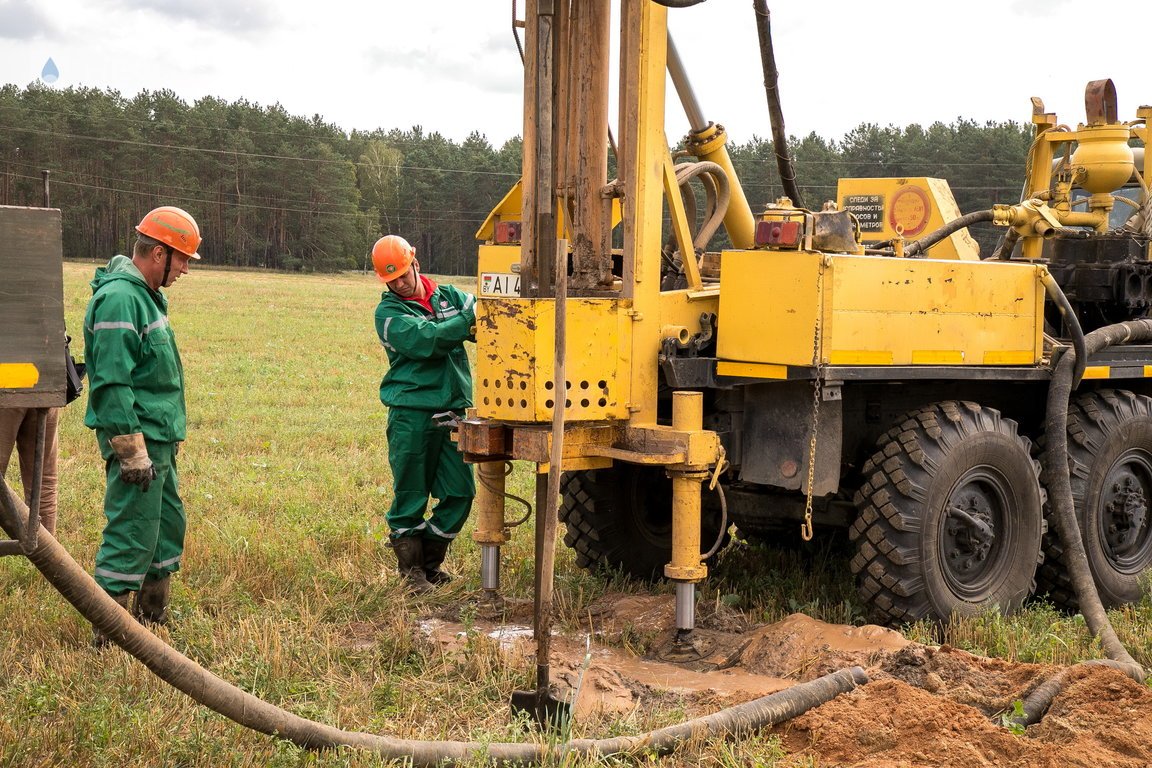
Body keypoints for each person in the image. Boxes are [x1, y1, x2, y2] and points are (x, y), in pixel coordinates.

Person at [83, 205, 200, 646]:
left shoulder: (145, 295)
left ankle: (152, 615)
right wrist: (131, 451)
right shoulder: (120, 299)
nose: (185, 270)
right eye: (182, 259)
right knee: (132, 529)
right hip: (140, 441)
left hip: (160, 440)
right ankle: (109, 633)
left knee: (167, 524)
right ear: (156, 253)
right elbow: (112, 383)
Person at [372, 234, 476, 592]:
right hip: (411, 412)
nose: (399, 284)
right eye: (391, 280)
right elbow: (427, 340)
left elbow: (487, 322)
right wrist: (468, 320)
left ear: (415, 263)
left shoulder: (449, 296)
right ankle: (411, 572)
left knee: (461, 493)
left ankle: (430, 565)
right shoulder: (388, 313)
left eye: (402, 274)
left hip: (453, 410)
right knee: (411, 492)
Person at [0, 407, 60, 536]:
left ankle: (45, 551)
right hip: (44, 389)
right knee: (43, 483)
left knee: (43, 483)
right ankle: (46, 552)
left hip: (6, 391)